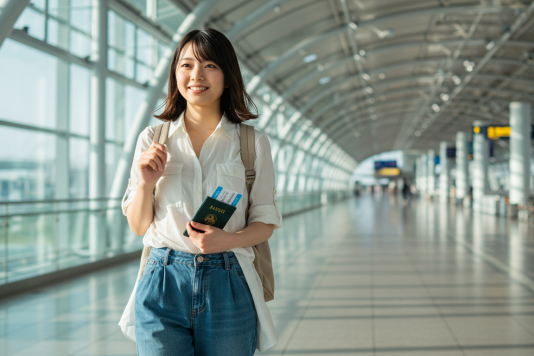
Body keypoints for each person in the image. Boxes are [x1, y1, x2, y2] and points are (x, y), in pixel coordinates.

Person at [118, 28, 282, 356]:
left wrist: (228, 240)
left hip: (229, 280)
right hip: (162, 278)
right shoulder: (153, 139)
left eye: (209, 65)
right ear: (175, 73)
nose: (196, 75)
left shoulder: (251, 143)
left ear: (227, 75)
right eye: (186, 65)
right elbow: (138, 227)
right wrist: (147, 182)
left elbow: (266, 220)